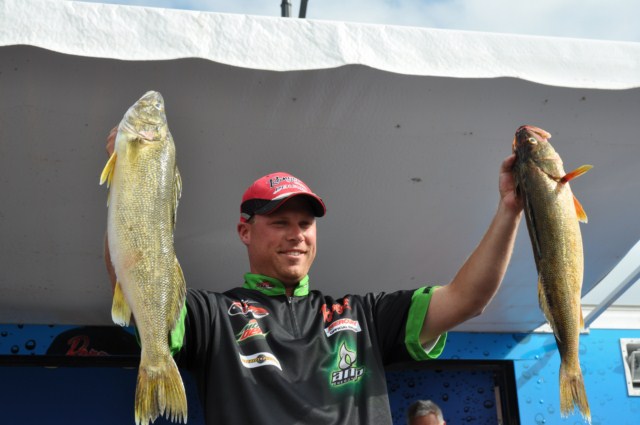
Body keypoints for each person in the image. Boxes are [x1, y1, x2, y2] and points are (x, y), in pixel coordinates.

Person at [103, 129, 522, 424]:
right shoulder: (212, 316)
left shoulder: (365, 315)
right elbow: (135, 280)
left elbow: (467, 299)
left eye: (305, 223)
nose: (297, 235)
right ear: (245, 232)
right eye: (280, 222)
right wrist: (128, 180)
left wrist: (509, 209)